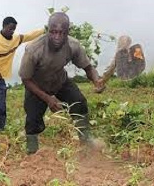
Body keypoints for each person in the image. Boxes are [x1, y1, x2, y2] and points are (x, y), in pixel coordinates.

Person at [18, 12, 105, 154]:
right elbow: (25, 79)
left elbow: (88, 68)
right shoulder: (33, 49)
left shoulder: (73, 45)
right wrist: (48, 98)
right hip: (37, 86)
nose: (57, 37)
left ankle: (86, 141)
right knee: (33, 121)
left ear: (67, 32)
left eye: (62, 33)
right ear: (48, 30)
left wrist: (96, 79)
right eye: (53, 32)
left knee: (79, 103)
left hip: (60, 81)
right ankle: (32, 151)